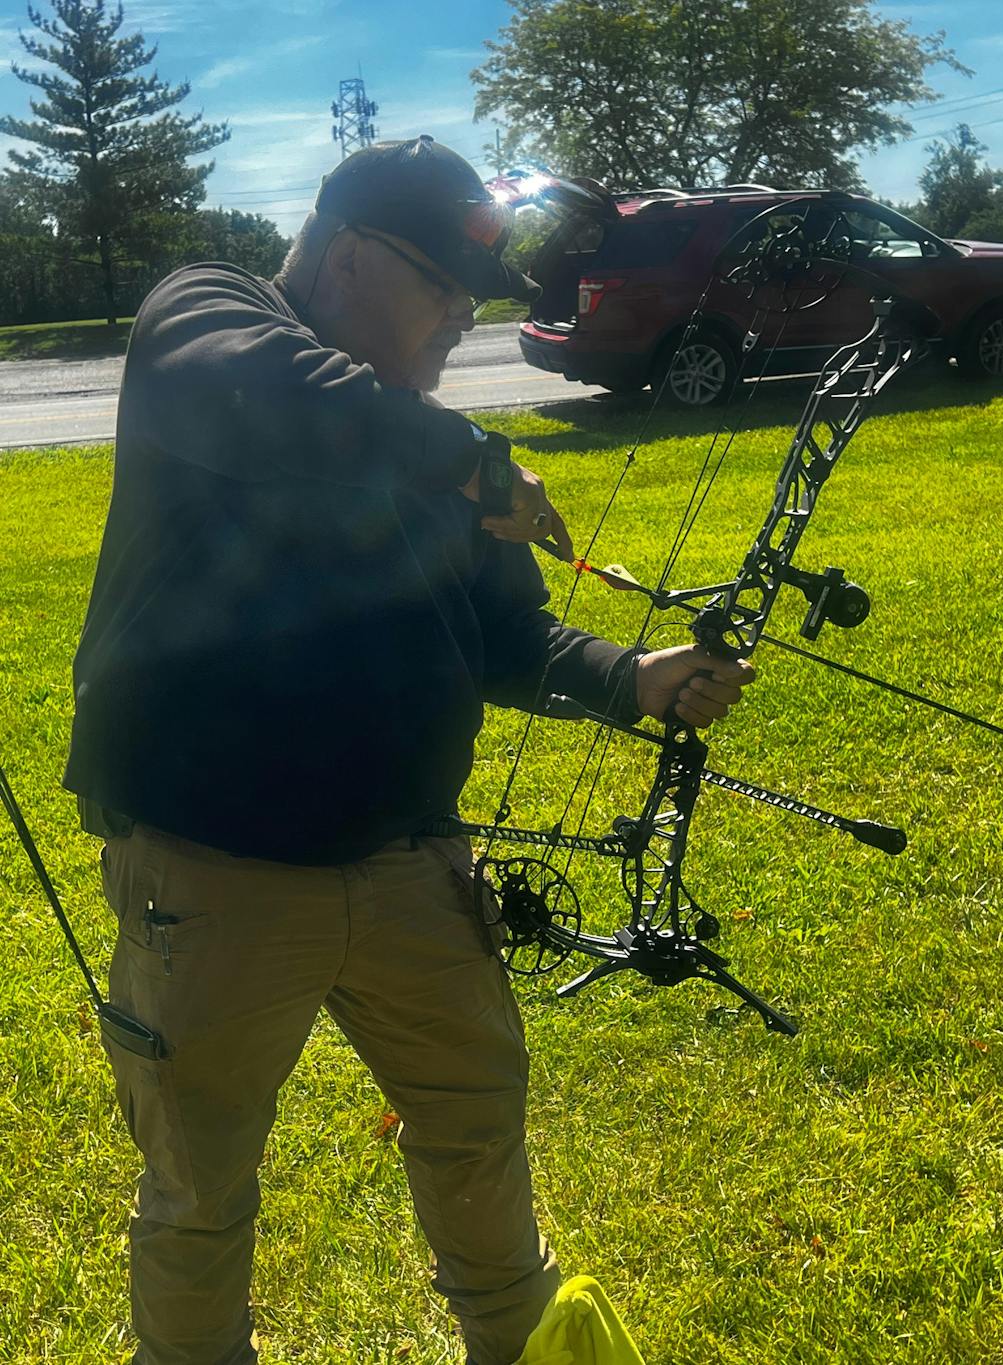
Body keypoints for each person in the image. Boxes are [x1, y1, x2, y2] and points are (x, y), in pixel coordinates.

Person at [64, 135, 754, 1365]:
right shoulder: (208, 315)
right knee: (198, 1183)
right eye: (441, 284)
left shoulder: (422, 439)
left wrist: (631, 675)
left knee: (477, 1127)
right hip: (214, 874)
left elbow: (503, 631)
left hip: (410, 866)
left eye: (471, 295)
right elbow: (271, 405)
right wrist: (473, 464)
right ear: (345, 255)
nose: (460, 317)